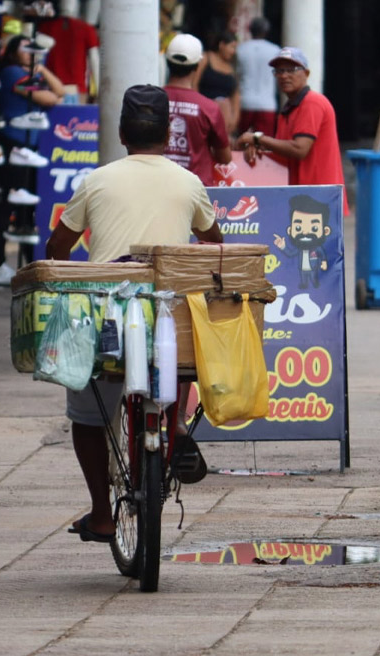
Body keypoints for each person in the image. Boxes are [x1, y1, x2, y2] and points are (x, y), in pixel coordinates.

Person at [45, 85, 223, 543]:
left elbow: (58, 247)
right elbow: (215, 244)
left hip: (107, 318)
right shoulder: (188, 183)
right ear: (168, 135)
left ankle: (102, 513)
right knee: (182, 317)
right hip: (167, 320)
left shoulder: (98, 180)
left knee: (86, 416)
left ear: (122, 133)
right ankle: (177, 421)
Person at [236, 46, 349, 215]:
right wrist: (257, 148)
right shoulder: (289, 109)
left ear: (307, 73)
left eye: (291, 69)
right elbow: (283, 152)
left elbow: (299, 149)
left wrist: (258, 139)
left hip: (319, 200)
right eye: (279, 71)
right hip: (302, 198)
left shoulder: (312, 103)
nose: (284, 75)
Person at [0, 35, 65, 284]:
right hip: (13, 142)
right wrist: (39, 74)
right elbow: (49, 98)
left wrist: (40, 67)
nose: (30, 52)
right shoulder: (11, 72)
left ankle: (27, 263)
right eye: (24, 48)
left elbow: (60, 91)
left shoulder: (32, 73)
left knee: (26, 208)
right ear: (12, 52)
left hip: (30, 146)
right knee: (8, 203)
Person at [163, 33, 231, 187]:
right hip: (196, 190)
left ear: (167, 61)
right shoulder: (209, 108)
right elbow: (225, 157)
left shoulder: (151, 101)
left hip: (158, 187)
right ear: (197, 65)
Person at [236, 17, 280, 136]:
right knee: (265, 145)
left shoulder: (241, 49)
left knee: (243, 142)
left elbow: (237, 75)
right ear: (266, 31)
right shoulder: (275, 50)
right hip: (267, 104)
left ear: (250, 30)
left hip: (245, 102)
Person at [196, 32, 240, 135]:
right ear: (221, 45)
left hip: (224, 118)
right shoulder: (206, 59)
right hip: (204, 112)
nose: (233, 51)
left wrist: (234, 118)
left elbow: (236, 95)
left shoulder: (231, 67)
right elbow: (194, 84)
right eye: (231, 47)